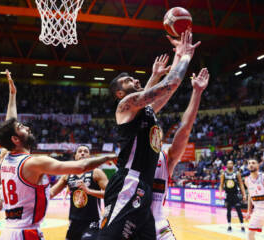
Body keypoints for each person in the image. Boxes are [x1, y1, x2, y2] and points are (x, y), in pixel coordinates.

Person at [99, 30, 200, 240]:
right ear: (119, 93)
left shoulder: (145, 112)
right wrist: (187, 57)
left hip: (142, 187)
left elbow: (166, 92)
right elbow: (169, 85)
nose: (134, 79)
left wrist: (178, 56)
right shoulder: (125, 105)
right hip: (128, 182)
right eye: (128, 81)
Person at [0, 70, 115, 240]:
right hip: (27, 232)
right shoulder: (34, 163)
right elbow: (81, 166)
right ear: (15, 139)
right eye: (22, 128)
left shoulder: (5, 157)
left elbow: (10, 124)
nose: (28, 128)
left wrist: (12, 95)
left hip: (8, 231)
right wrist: (109, 156)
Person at [151, 67, 209, 240]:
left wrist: (197, 93)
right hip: (131, 224)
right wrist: (155, 76)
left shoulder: (165, 157)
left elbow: (185, 129)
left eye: (157, 132)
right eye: (150, 130)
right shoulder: (132, 152)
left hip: (157, 224)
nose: (154, 134)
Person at [50, 145, 109, 240]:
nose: (82, 153)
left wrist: (89, 191)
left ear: (89, 156)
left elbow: (111, 194)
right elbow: (51, 193)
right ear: (75, 156)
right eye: (80, 151)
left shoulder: (97, 172)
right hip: (74, 221)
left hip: (92, 221)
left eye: (85, 151)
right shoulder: (67, 175)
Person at [219, 160, 246, 232]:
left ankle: (242, 225)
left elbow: (241, 184)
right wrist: (220, 194)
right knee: (228, 210)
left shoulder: (237, 173)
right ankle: (229, 225)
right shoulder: (223, 174)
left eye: (231, 163)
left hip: (235, 194)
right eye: (228, 163)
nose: (230, 165)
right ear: (226, 165)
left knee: (238, 210)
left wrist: (244, 194)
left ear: (233, 165)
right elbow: (221, 185)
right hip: (228, 195)